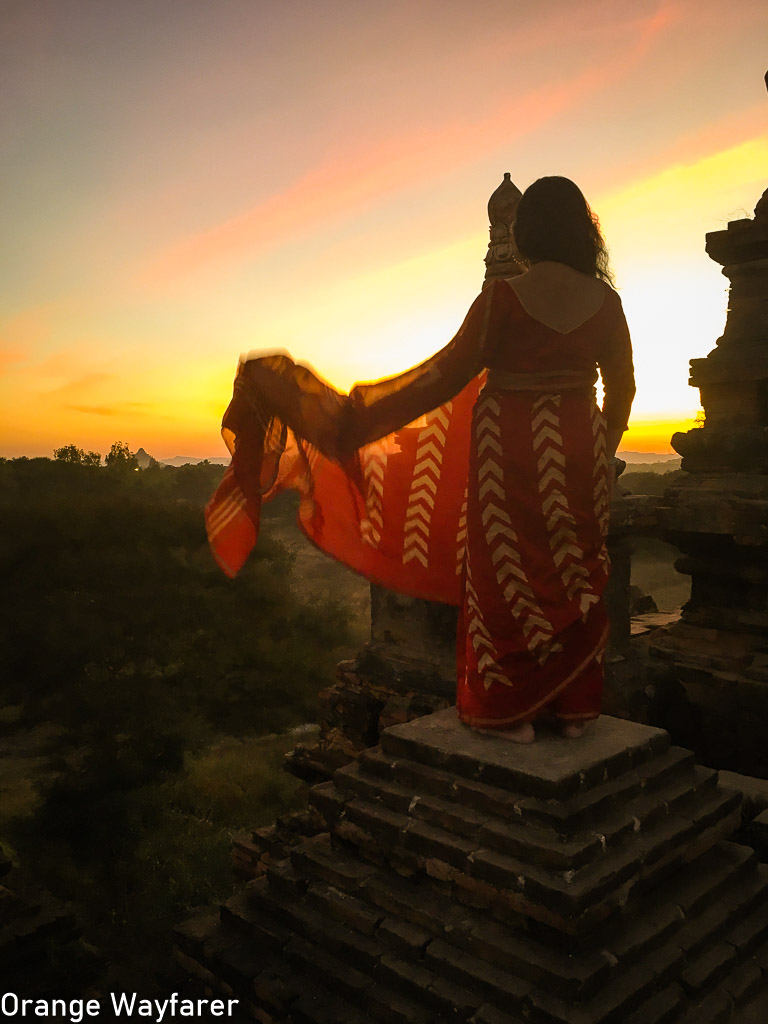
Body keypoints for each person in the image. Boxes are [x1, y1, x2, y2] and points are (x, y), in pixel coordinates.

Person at [206, 176, 635, 744]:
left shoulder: (504, 298)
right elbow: (623, 388)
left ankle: (512, 714)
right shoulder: (607, 303)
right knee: (573, 572)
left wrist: (354, 418)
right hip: (580, 450)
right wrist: (600, 450)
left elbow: (443, 377)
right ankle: (576, 709)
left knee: (506, 575)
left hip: (509, 449)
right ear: (584, 230)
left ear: (525, 231)